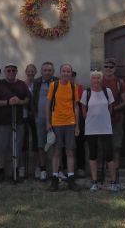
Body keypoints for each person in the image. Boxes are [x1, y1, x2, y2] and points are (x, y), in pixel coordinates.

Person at [81, 70, 119, 192]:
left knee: (109, 155)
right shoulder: (86, 93)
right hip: (91, 129)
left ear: (101, 79)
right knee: (93, 155)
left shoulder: (107, 92)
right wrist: (90, 120)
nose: (96, 80)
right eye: (94, 78)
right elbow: (83, 110)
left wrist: (104, 119)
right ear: (91, 80)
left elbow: (110, 107)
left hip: (105, 128)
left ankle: (113, 182)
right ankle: (94, 182)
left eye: (98, 78)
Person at [0, 63, 30, 181]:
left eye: (13, 70)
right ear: (5, 72)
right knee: (1, 146)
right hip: (2, 121)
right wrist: (7, 102)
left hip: (17, 121)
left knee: (16, 146)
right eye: (8, 70)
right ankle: (1, 170)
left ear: (16, 72)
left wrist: (19, 101)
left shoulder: (22, 84)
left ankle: (15, 170)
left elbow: (27, 99)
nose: (11, 73)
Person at [46, 63, 80, 191]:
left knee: (70, 151)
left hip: (70, 123)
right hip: (56, 123)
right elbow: (48, 105)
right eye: (64, 71)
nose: (66, 73)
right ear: (60, 73)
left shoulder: (73, 86)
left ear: (71, 73)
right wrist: (48, 123)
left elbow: (76, 106)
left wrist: (77, 125)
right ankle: (55, 179)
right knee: (56, 152)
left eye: (68, 71)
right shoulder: (53, 86)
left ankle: (71, 179)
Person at [31, 61, 57, 180]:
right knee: (41, 144)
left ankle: (56, 170)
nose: (47, 72)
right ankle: (43, 169)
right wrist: (35, 114)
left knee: (56, 144)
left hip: (56, 118)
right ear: (41, 71)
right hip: (40, 119)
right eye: (45, 70)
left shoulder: (57, 82)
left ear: (53, 71)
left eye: (49, 70)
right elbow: (32, 99)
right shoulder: (36, 82)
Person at [101, 58, 125, 168]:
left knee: (116, 146)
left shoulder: (119, 82)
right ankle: (102, 172)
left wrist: (114, 108)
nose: (108, 69)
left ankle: (115, 172)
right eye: (106, 66)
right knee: (102, 147)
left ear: (115, 69)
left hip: (116, 119)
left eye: (111, 67)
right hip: (101, 120)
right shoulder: (98, 81)